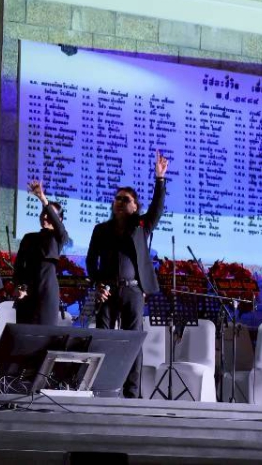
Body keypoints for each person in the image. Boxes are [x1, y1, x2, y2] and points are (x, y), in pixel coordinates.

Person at [87, 151, 169, 398]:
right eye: (117, 199)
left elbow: (157, 208)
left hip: (133, 290)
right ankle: (101, 388)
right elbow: (91, 260)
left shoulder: (141, 226)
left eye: (126, 199)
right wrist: (97, 285)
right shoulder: (101, 230)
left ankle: (131, 392)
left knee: (133, 340)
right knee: (103, 338)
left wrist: (160, 179)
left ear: (135, 206)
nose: (120, 202)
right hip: (107, 290)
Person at [14, 179, 68, 326]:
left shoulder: (59, 237)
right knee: (24, 334)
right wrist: (19, 286)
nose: (44, 216)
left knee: (45, 334)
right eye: (43, 213)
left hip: (47, 293)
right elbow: (18, 267)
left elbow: (60, 228)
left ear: (59, 219)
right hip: (26, 293)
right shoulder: (29, 238)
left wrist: (43, 199)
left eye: (49, 214)